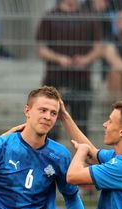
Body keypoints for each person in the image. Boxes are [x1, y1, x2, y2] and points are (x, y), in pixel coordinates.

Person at [36, 0, 104, 134]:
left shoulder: (89, 17)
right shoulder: (51, 16)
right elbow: (40, 49)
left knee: (81, 128)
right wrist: (59, 59)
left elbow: (99, 48)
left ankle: (82, 155)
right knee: (49, 128)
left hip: (81, 80)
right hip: (54, 80)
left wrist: (86, 59)